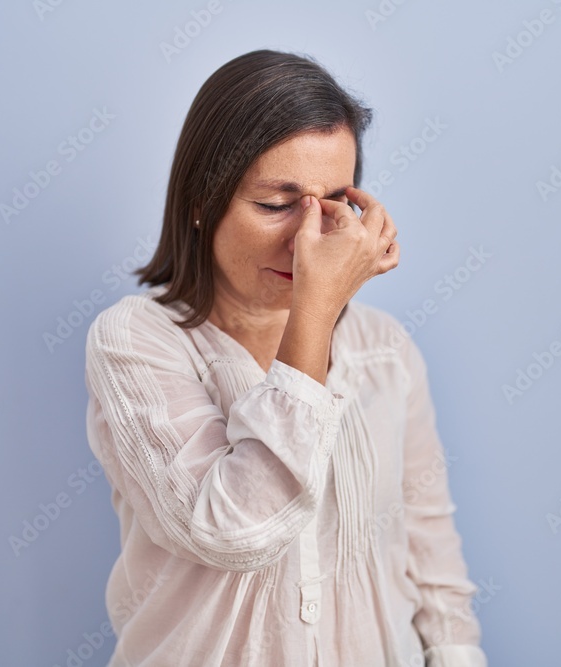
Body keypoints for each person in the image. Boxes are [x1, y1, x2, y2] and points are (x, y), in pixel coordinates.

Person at [84, 48, 487, 667]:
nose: (308, 238)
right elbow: (230, 529)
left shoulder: (385, 350)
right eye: (275, 204)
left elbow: (430, 549)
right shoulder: (135, 342)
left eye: (331, 205)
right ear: (202, 200)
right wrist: (316, 312)